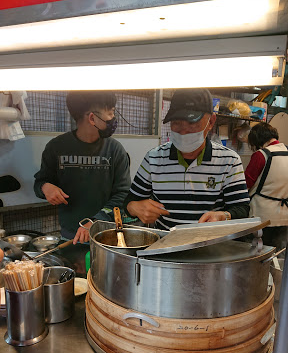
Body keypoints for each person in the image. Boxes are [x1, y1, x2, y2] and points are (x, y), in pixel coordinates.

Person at [124, 88, 250, 229]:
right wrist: (134, 207)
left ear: (210, 122)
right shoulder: (154, 158)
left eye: (192, 124)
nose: (183, 131)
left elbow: (242, 209)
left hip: (210, 246)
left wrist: (223, 216)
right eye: (176, 123)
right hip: (165, 245)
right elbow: (129, 202)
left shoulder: (229, 161)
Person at [34, 91, 131, 244]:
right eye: (110, 112)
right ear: (92, 118)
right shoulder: (56, 147)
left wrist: (95, 221)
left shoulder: (115, 150)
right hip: (70, 237)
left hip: (106, 236)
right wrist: (46, 187)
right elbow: (40, 182)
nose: (113, 118)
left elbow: (123, 194)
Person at [245, 122, 288, 250]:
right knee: (279, 255)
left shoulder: (261, 155)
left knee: (258, 254)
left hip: (262, 216)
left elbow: (245, 184)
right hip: (285, 216)